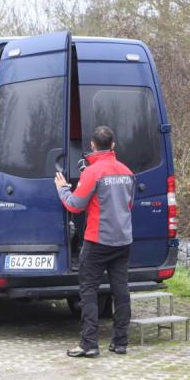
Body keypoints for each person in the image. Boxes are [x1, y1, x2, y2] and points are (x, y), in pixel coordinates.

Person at [54, 125, 135, 358]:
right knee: (121, 290)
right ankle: (120, 342)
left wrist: (62, 189)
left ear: (92, 145)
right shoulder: (126, 171)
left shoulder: (92, 172)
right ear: (113, 145)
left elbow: (75, 205)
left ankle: (89, 343)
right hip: (123, 240)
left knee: (88, 289)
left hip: (98, 240)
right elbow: (129, 205)